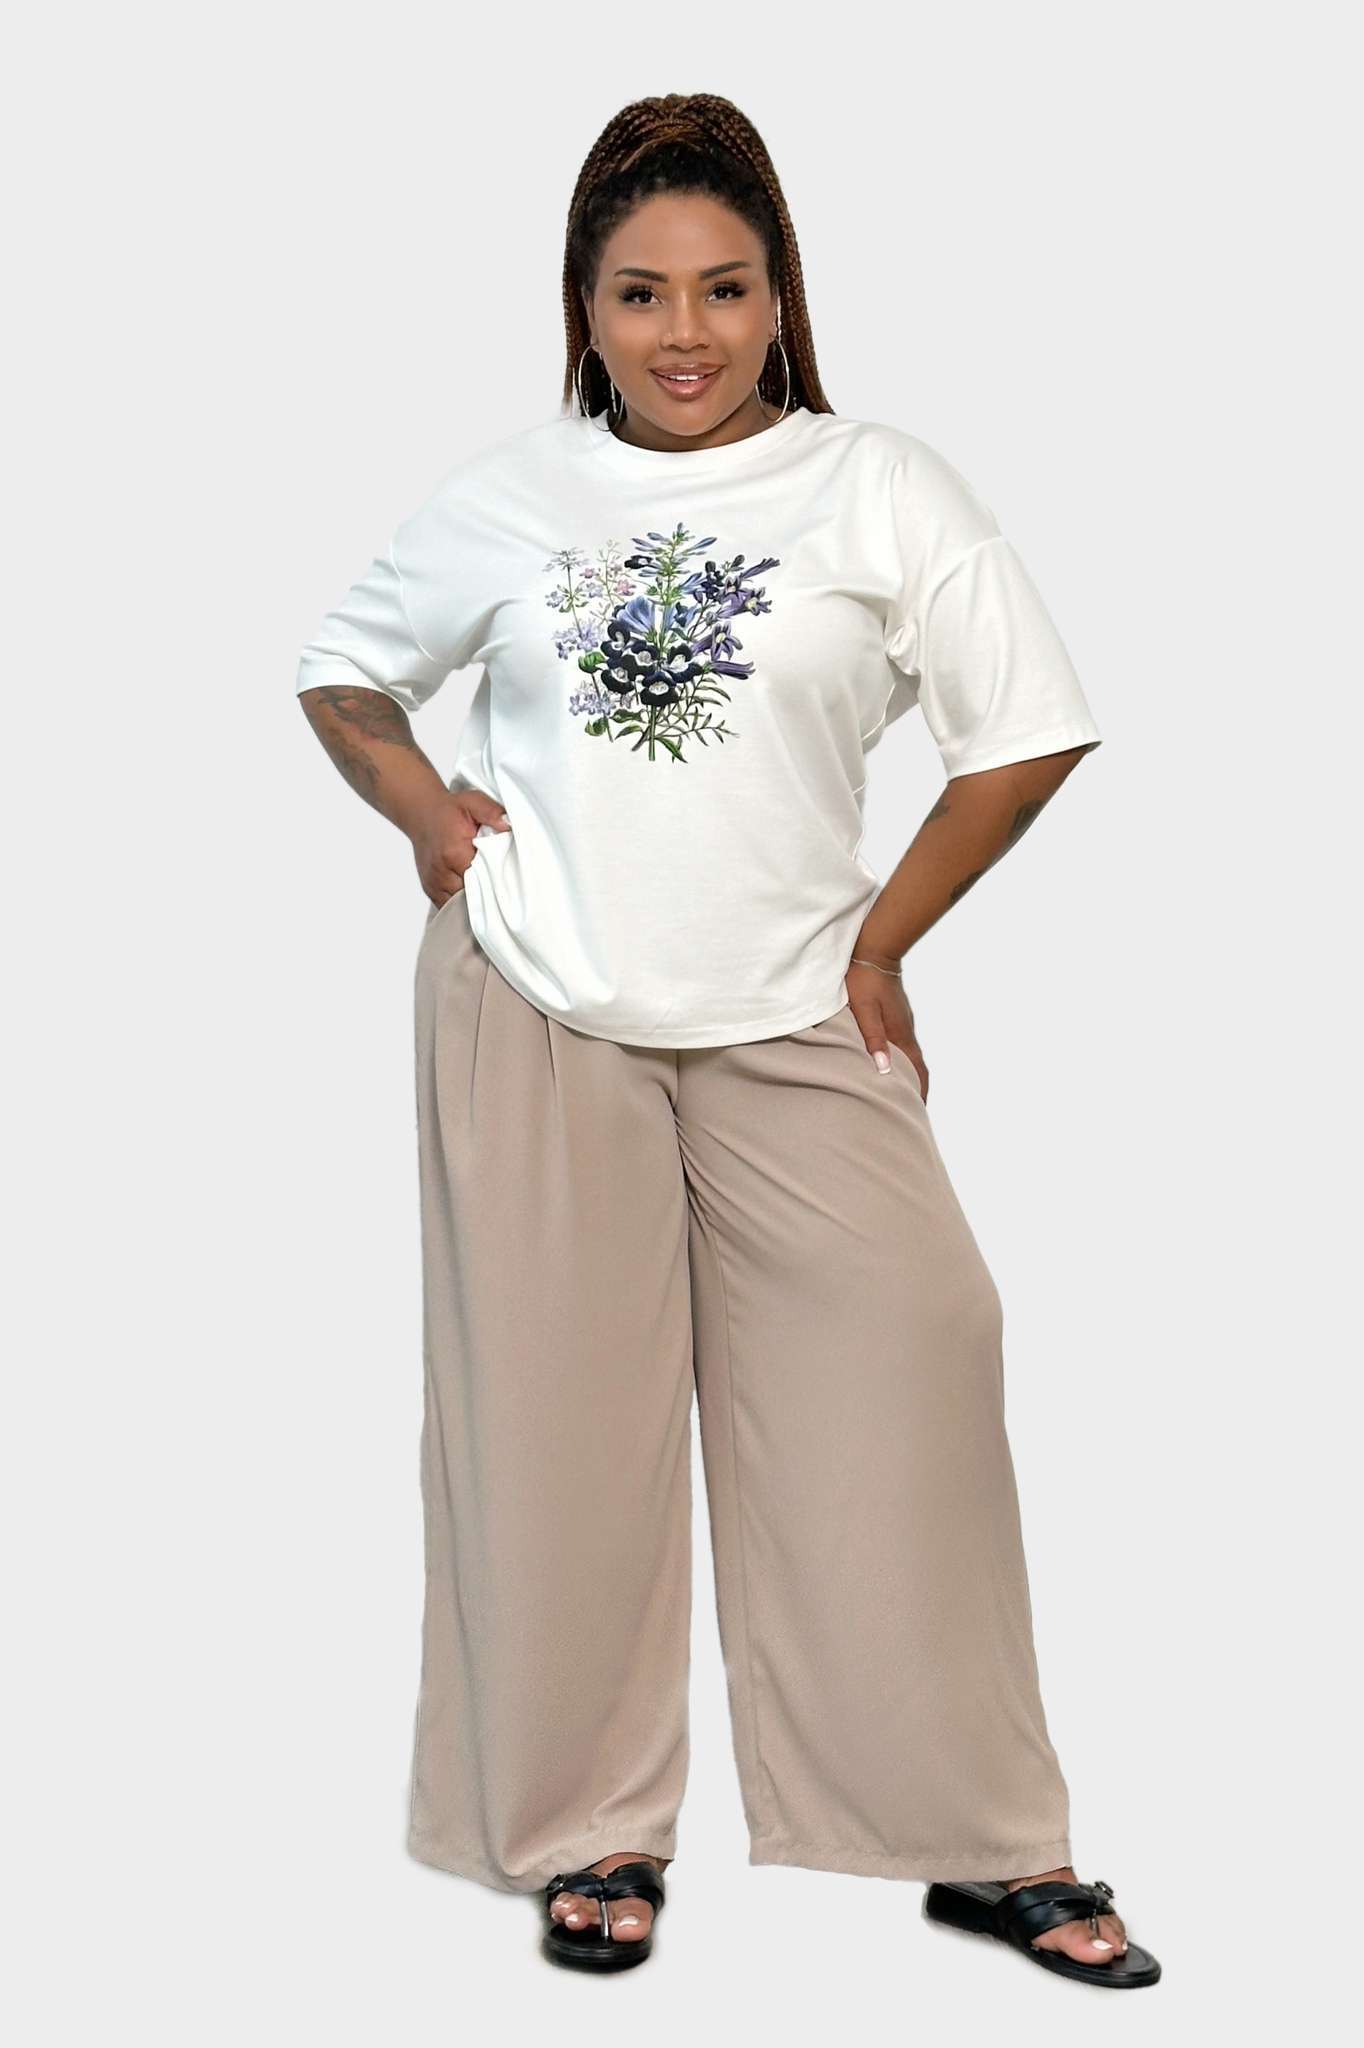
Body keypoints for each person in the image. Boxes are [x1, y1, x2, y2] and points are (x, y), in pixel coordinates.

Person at [294, 93, 1162, 1988]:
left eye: (725, 287)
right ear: (584, 308)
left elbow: (1029, 729)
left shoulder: (879, 486)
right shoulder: (513, 496)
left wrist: (886, 935)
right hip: (540, 1007)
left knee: (920, 1364)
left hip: (790, 1014)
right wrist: (425, 811)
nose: (684, 332)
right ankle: (586, 1829)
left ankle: (979, 1836)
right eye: (640, 293)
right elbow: (341, 671)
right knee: (554, 1437)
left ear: (782, 297)